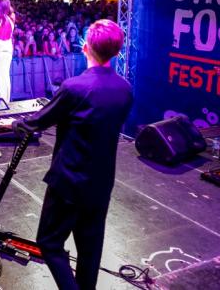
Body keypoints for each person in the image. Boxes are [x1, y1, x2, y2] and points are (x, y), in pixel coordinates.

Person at [13, 19, 132, 290]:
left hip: (68, 182)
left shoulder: (74, 87)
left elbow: (37, 122)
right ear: (116, 51)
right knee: (90, 252)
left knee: (49, 243)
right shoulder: (125, 89)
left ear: (85, 47)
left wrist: (13, 124)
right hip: (101, 183)